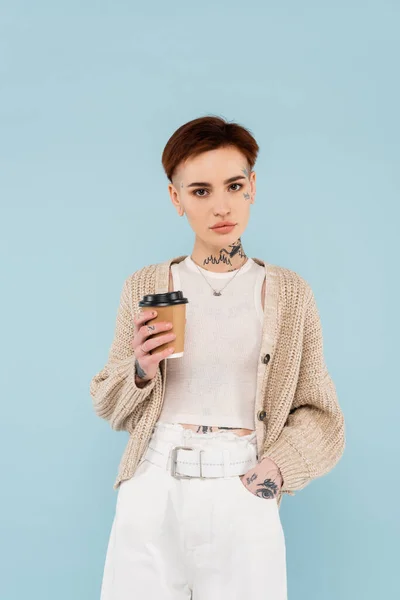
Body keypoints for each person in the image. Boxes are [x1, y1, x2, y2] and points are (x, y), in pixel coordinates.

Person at [90, 115, 346, 600]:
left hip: (242, 486)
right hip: (153, 483)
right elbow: (106, 402)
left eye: (233, 185)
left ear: (252, 187)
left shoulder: (288, 293)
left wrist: (276, 471)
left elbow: (321, 415)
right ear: (176, 199)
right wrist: (141, 371)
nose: (221, 206)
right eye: (200, 191)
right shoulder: (148, 286)